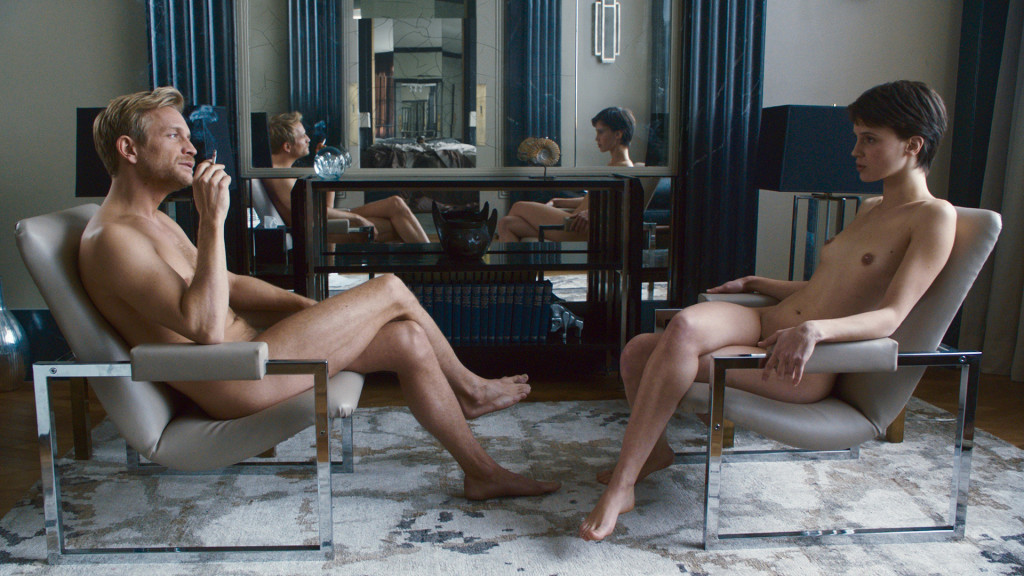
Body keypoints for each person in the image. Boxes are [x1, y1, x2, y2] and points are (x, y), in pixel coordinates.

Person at [79, 87, 559, 501]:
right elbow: (203, 327)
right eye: (174, 136)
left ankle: (481, 473)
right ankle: (471, 391)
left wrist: (310, 311)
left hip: (254, 354)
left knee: (407, 339)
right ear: (129, 148)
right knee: (390, 288)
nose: (191, 147)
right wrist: (211, 222)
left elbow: (229, 284)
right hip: (234, 378)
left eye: (187, 135)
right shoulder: (113, 239)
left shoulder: (153, 222)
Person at [579, 80, 956, 541]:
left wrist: (815, 331)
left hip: (806, 363)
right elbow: (828, 288)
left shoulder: (934, 217)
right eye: (857, 137)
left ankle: (623, 484)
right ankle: (653, 452)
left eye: (870, 139)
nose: (855, 150)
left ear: (913, 145)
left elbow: (892, 315)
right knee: (647, 343)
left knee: (656, 354)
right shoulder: (871, 207)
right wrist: (760, 283)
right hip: (769, 321)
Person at [263, 111, 429, 244]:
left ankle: (429, 266)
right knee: (398, 226)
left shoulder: (284, 171)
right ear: (287, 146)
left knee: (395, 203)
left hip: (323, 218)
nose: (308, 139)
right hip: (318, 227)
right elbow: (311, 214)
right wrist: (356, 219)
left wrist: (328, 167)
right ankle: (432, 268)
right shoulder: (278, 176)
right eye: (303, 136)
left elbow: (324, 207)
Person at [496, 107, 636, 242]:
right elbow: (593, 199)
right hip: (575, 222)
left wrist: (592, 213)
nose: (596, 138)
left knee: (518, 206)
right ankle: (521, 259)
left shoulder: (625, 169)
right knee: (506, 224)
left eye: (601, 132)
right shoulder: (613, 166)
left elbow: (622, 208)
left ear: (618, 134)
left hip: (579, 227)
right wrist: (558, 201)